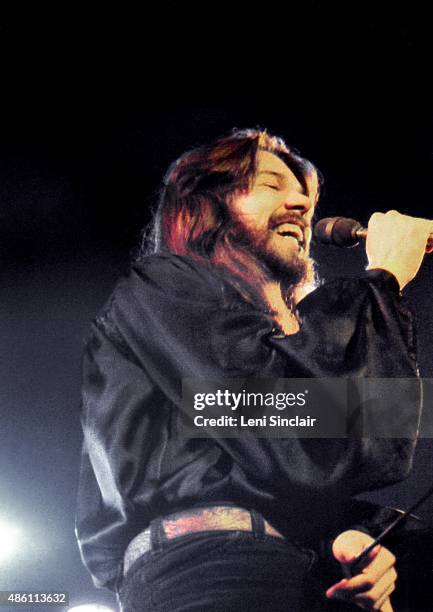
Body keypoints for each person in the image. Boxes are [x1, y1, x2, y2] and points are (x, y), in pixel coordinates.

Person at [75, 128, 432, 611]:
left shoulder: (280, 344)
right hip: (214, 578)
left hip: (292, 574)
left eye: (304, 195)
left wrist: (346, 538)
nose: (300, 205)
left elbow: (356, 435)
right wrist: (383, 278)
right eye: (270, 185)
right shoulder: (165, 290)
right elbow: (280, 426)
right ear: (206, 203)